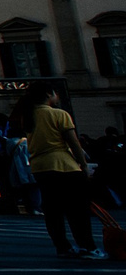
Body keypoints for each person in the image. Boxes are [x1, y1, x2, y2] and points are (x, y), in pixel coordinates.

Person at [16, 84, 100, 258]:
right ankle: (88, 246)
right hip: (63, 164)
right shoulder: (59, 114)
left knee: (53, 210)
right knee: (77, 210)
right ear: (49, 95)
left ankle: (63, 247)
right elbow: (73, 142)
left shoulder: (28, 116)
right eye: (56, 94)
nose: (57, 96)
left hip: (40, 167)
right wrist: (83, 164)